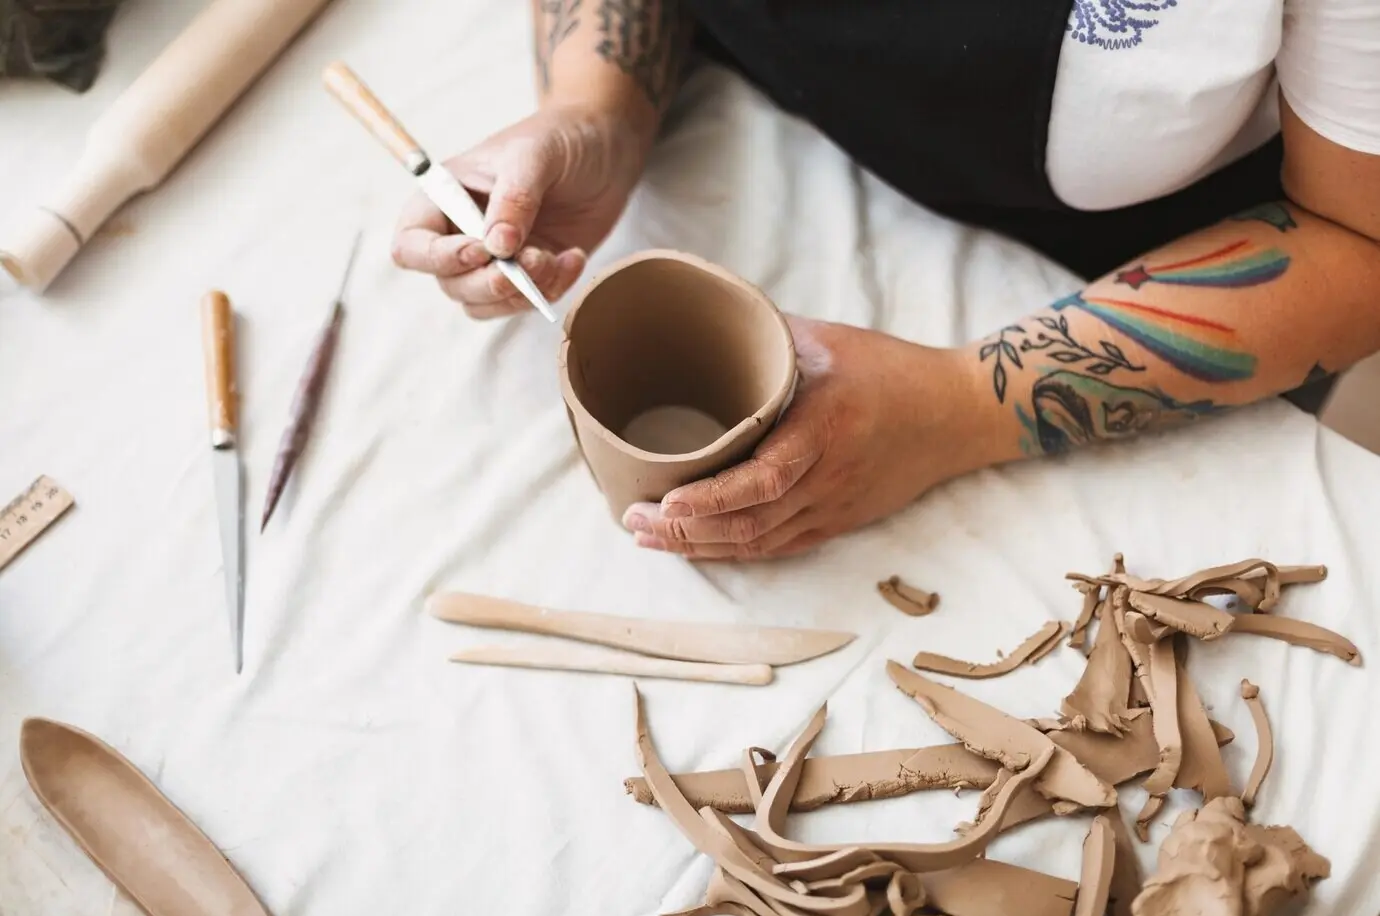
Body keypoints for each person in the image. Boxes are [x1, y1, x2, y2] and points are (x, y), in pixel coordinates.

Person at [392, 1, 1380, 560]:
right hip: (742, 124)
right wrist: (593, 108)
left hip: (1126, 270)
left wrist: (958, 403)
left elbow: (1356, 238)